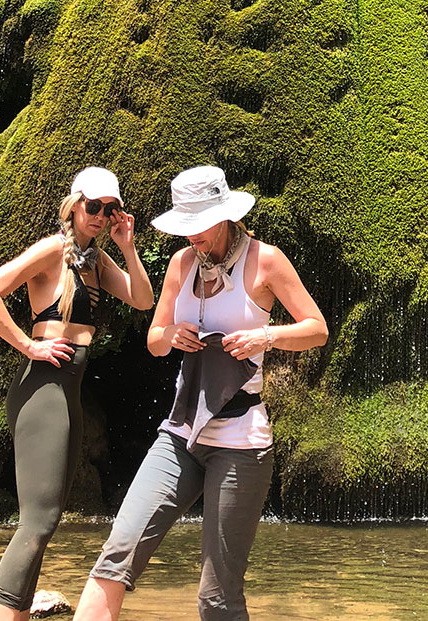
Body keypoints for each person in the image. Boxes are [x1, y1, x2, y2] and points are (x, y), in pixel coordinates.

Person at [72, 164, 328, 621]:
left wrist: (266, 337)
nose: (192, 238)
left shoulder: (266, 260)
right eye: (185, 228)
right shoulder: (180, 263)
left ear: (225, 217)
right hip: (180, 432)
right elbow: (154, 339)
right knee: (116, 557)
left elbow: (317, 330)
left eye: (198, 228)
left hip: (240, 443)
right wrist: (174, 334)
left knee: (217, 597)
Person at [0, 166, 155, 621]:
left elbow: (144, 300)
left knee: (47, 521)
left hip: (68, 389)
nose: (100, 215)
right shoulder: (54, 249)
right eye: (93, 206)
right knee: (38, 519)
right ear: (74, 205)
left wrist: (129, 247)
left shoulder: (95, 261)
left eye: (109, 209)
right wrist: (28, 343)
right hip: (42, 387)